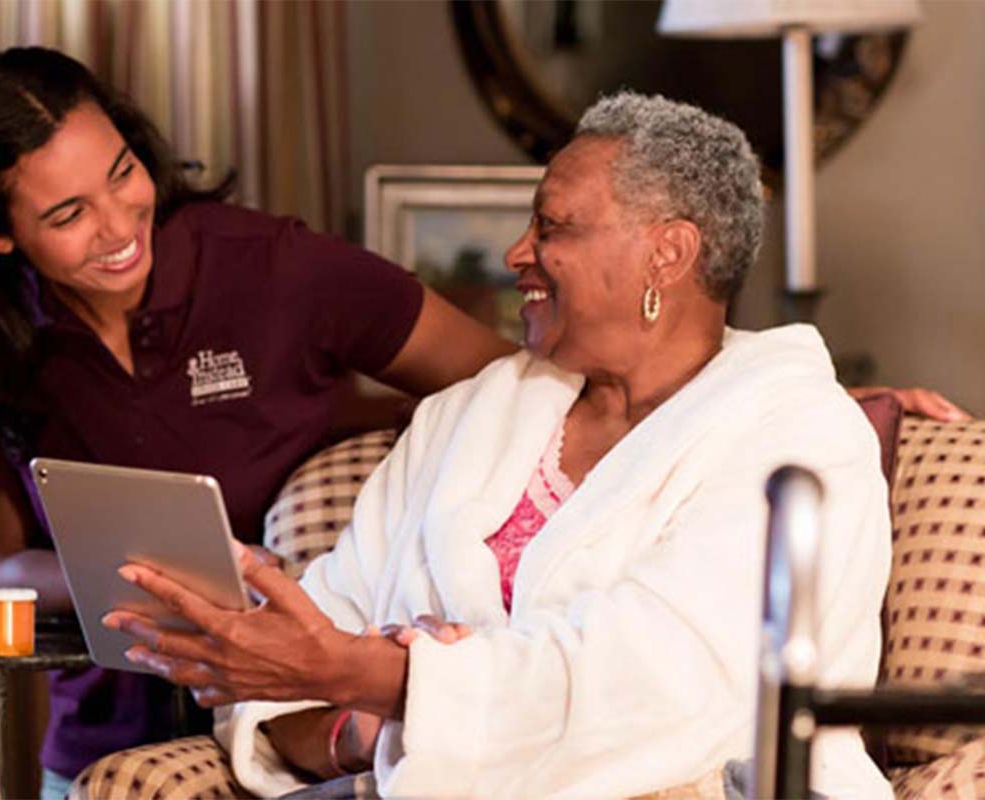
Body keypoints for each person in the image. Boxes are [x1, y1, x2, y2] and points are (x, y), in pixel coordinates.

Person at [101, 92, 909, 798]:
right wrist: (366, 724)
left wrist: (374, 679)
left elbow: (657, 690)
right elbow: (291, 677)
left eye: (552, 227)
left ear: (669, 251)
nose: (515, 252)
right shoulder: (467, 419)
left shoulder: (794, 439)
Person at [0, 46, 514, 797]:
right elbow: (3, 566)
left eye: (123, 174)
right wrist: (176, 581)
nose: (120, 224)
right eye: (68, 214)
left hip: (311, 734)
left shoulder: (274, 267)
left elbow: (507, 385)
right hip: (100, 751)